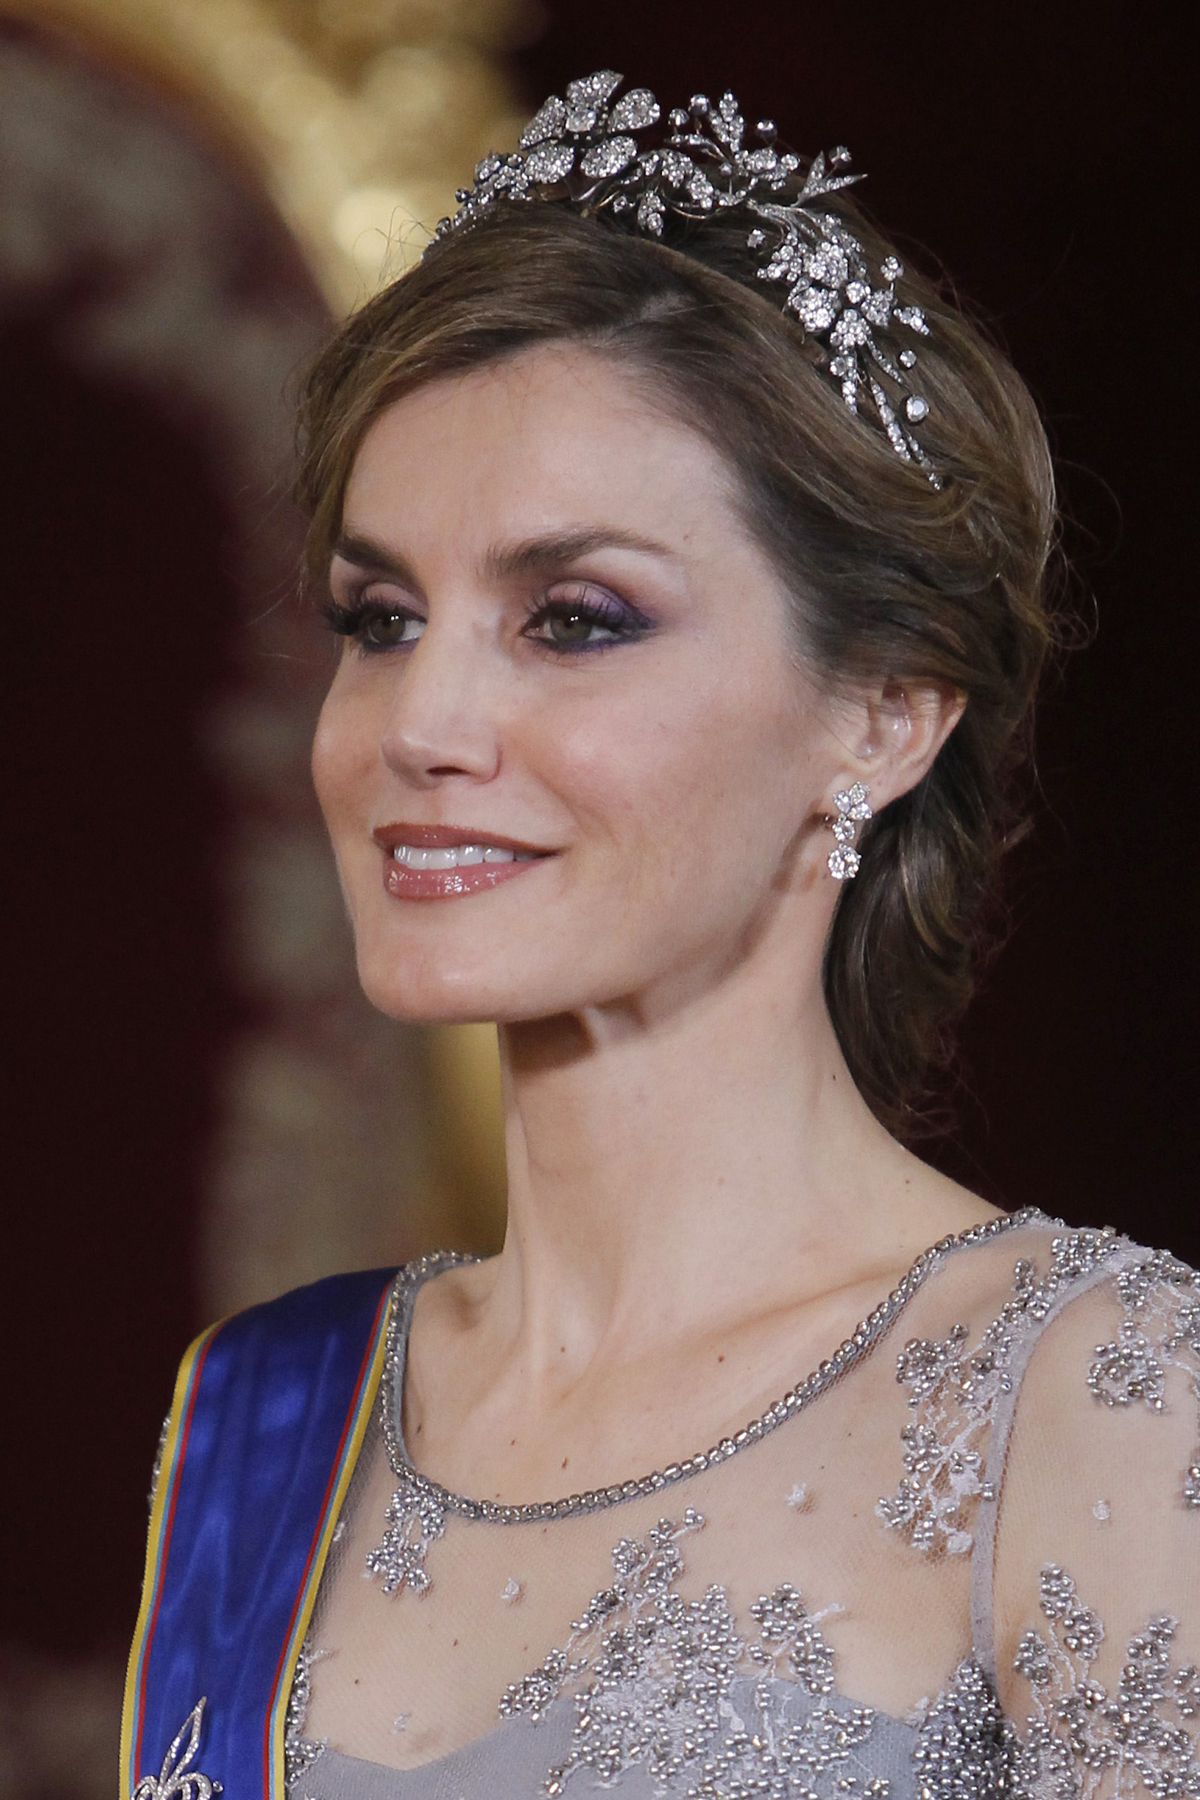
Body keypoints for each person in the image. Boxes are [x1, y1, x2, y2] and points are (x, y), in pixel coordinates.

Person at [121, 72, 1199, 1800]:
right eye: (381, 618)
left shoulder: (1099, 1395)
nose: (423, 723)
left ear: (884, 712)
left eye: (574, 619)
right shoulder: (264, 1415)